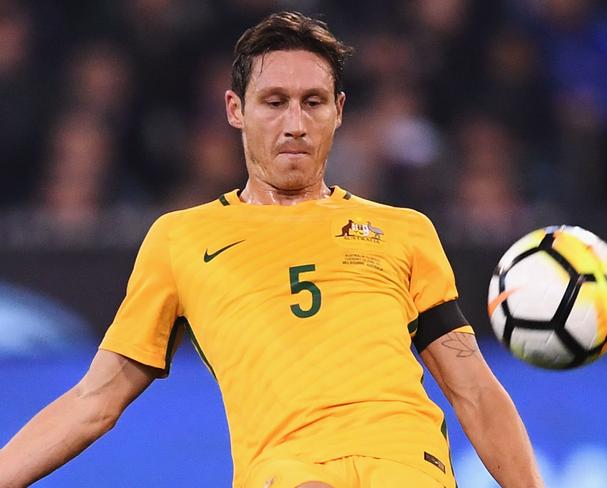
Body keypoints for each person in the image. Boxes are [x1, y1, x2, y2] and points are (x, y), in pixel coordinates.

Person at [0, 11, 544, 488]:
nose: (294, 125)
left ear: (339, 110)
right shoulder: (181, 239)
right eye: (274, 102)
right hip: (288, 468)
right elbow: (95, 400)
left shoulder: (403, 230)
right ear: (235, 109)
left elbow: (472, 387)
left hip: (407, 461)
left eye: (313, 103)